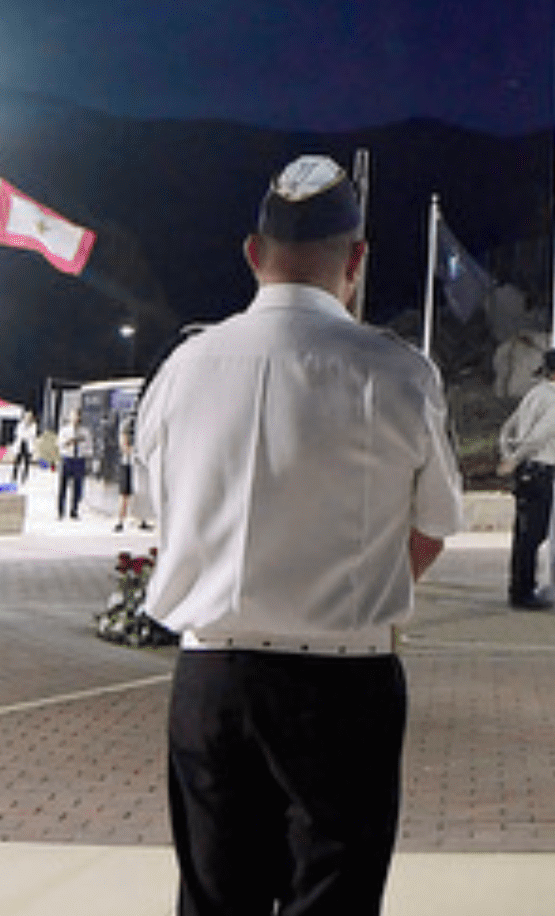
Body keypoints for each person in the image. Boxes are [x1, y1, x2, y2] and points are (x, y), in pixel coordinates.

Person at [132, 155, 466, 916]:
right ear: (357, 260)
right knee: (335, 898)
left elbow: (162, 511)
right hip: (342, 683)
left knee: (215, 901)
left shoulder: (182, 368)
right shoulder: (398, 372)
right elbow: (433, 528)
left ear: (253, 253)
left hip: (211, 679)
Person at [498, 343, 555, 609]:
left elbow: (508, 427)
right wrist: (515, 457)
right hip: (540, 469)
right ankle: (524, 592)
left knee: (522, 535)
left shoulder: (534, 394)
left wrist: (508, 452)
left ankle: (518, 587)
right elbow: (540, 435)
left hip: (526, 470)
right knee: (534, 534)